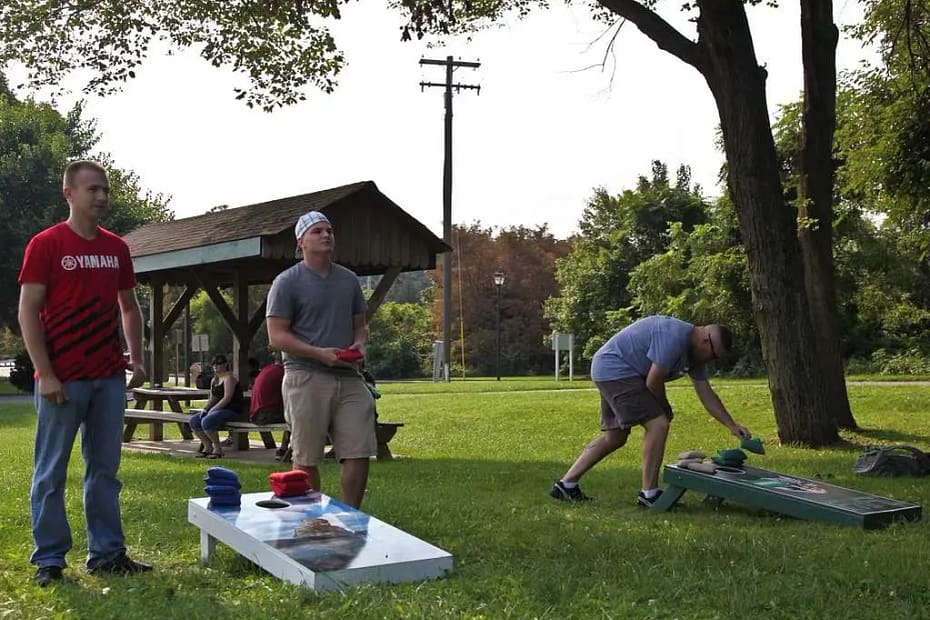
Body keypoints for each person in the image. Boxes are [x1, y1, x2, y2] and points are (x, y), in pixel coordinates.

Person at [18, 160, 152, 587]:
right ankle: (51, 560)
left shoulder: (117, 247)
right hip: (63, 379)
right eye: (92, 189)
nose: (101, 197)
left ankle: (108, 554)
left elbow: (129, 306)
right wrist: (46, 373)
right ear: (69, 194)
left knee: (104, 470)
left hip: (108, 377)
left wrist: (137, 355)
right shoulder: (46, 244)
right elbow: (28, 311)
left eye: (105, 190)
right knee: (51, 471)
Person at [549, 315, 752, 508]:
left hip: (610, 368)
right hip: (617, 369)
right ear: (706, 342)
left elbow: (706, 393)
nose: (711, 361)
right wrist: (664, 407)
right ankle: (649, 494)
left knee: (615, 436)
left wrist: (731, 425)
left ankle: (566, 485)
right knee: (658, 423)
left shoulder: (694, 354)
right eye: (714, 356)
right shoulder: (674, 336)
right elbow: (653, 381)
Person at [266, 210, 376, 509]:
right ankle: (312, 520)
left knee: (358, 449)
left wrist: (359, 344)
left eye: (329, 230)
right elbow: (277, 335)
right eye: (317, 231)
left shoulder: (348, 280)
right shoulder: (286, 282)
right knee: (306, 456)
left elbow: (360, 325)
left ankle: (352, 516)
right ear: (301, 241)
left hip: (349, 376)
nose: (326, 235)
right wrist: (318, 353)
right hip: (305, 375)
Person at [189, 354, 243, 459]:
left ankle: (218, 449)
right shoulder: (214, 380)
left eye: (219, 363)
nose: (215, 366)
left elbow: (227, 398)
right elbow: (213, 398)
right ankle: (207, 447)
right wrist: (205, 409)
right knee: (194, 421)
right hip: (217, 410)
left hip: (231, 410)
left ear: (226, 364)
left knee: (207, 421)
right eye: (213, 363)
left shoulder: (229, 378)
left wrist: (213, 409)